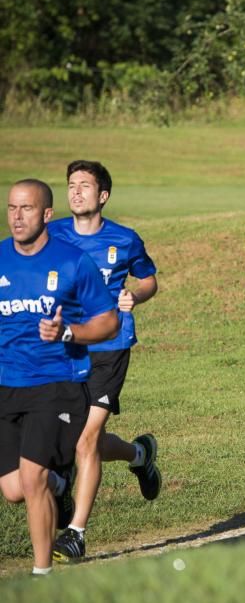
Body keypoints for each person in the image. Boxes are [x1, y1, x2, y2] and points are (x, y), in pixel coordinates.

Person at [1, 179, 118, 575]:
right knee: (14, 490)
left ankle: (42, 576)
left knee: (32, 480)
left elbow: (108, 321)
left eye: (27, 209)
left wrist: (69, 332)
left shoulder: (72, 261)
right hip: (6, 385)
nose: (17, 217)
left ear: (47, 214)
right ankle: (61, 483)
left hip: (56, 383)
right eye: (12, 208)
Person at [47, 161, 161, 561]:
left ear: (103, 196)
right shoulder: (52, 234)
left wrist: (136, 296)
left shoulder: (125, 239)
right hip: (64, 349)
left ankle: (76, 533)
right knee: (72, 441)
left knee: (86, 441)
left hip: (110, 347)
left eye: (85, 186)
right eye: (71, 185)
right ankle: (140, 455)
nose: (76, 192)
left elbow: (149, 279)